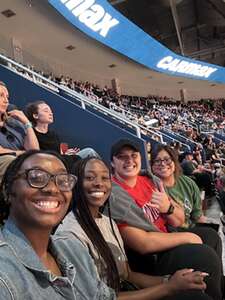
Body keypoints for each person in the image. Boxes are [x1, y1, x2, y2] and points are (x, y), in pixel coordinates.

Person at [56, 156, 211, 300]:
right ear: (75, 184)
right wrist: (169, 288)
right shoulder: (70, 236)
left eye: (104, 177)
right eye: (89, 178)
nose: (99, 183)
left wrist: (170, 280)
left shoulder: (107, 221)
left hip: (128, 288)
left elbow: (128, 275)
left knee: (195, 287)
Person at [107, 138, 223, 300]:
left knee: (212, 237)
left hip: (168, 234)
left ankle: (210, 288)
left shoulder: (149, 180)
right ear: (112, 163)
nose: (129, 160)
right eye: (122, 157)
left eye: (134, 155)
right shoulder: (114, 195)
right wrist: (188, 237)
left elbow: (178, 219)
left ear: (141, 158)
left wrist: (167, 207)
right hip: (152, 257)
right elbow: (143, 245)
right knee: (205, 256)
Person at [0, 150, 115, 299]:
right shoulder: (4, 274)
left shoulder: (74, 249)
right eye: (36, 177)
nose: (53, 189)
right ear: (8, 190)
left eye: (62, 181)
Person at [25, 100, 99, 165]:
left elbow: (58, 153)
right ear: (35, 115)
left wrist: (65, 153)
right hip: (52, 164)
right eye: (46, 111)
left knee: (89, 153)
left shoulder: (53, 134)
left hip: (63, 160)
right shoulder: (31, 134)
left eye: (51, 111)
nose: (51, 113)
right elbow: (34, 153)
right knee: (89, 152)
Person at [0, 81, 39, 182]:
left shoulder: (14, 122)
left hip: (23, 163)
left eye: (7, 97)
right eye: (1, 96)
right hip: (10, 163)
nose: (6, 101)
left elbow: (34, 150)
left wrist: (27, 123)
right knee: (10, 161)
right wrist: (23, 153)